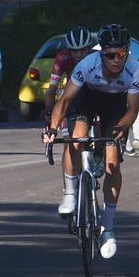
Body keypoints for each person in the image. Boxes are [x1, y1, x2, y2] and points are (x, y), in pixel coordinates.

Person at [44, 24, 139, 260]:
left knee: (112, 163)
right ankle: (70, 193)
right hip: (87, 98)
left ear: (127, 52)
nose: (116, 60)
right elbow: (65, 101)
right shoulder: (86, 65)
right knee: (76, 138)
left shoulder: (135, 70)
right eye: (110, 55)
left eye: (121, 54)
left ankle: (107, 228)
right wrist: (52, 128)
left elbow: (132, 110)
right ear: (101, 53)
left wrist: (121, 127)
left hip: (115, 106)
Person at [45, 26, 94, 216]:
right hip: (73, 98)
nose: (79, 54)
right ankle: (69, 190)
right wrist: (50, 116)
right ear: (68, 50)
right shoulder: (62, 58)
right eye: (75, 50)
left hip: (95, 96)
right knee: (71, 143)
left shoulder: (97, 57)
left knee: (100, 133)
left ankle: (97, 158)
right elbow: (52, 89)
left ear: (89, 48)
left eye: (83, 50)